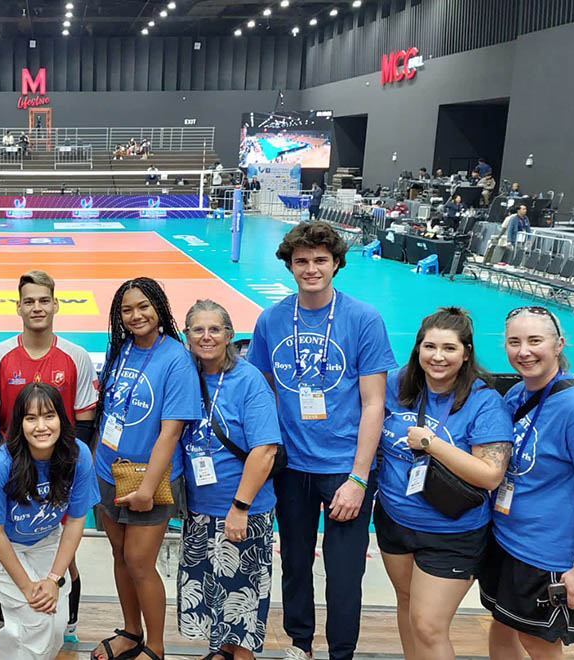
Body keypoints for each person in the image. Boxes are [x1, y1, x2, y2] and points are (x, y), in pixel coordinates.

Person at [246, 221, 396, 660]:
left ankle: (341, 653)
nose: (311, 269)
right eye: (302, 261)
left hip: (343, 470)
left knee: (344, 574)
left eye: (320, 260)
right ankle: (299, 645)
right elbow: (262, 392)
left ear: (336, 264)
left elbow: (373, 404)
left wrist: (358, 478)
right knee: (294, 565)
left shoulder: (363, 319)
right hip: (292, 469)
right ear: (290, 266)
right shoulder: (271, 320)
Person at [375, 307, 513, 659]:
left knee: (429, 626)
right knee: (406, 607)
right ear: (417, 348)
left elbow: (490, 475)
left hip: (452, 533)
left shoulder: (484, 402)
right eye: (429, 347)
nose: (437, 357)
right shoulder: (397, 384)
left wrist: (431, 444)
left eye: (449, 348)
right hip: (395, 521)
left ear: (466, 352)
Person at [482, 306, 574, 659]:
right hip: (507, 542)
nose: (524, 351)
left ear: (558, 345)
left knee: (539, 644)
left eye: (535, 341)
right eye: (514, 341)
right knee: (502, 626)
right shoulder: (516, 396)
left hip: (548, 556)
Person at [0, 270, 99, 642]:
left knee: (65, 555)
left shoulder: (75, 357)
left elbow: (84, 424)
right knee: (10, 555)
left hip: (59, 475)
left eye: (43, 300)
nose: (37, 307)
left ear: (56, 304)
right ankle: (13, 625)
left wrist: (67, 477)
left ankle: (68, 624)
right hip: (14, 475)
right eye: (29, 301)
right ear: (18, 307)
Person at [91, 277, 200, 660]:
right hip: (108, 471)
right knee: (120, 554)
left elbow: (170, 433)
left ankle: (155, 645)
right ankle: (131, 631)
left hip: (148, 478)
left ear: (159, 307)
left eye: (143, 307)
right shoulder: (121, 351)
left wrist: (148, 489)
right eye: (126, 309)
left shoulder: (176, 358)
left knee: (140, 561)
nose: (135, 315)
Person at [177, 300, 281, 660]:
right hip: (199, 510)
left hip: (241, 512)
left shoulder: (248, 380)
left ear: (229, 335)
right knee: (211, 599)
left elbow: (265, 450)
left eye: (215, 329)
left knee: (241, 608)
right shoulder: (185, 374)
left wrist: (239, 507)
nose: (206, 337)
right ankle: (221, 652)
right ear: (186, 335)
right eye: (198, 330)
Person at [0, 382, 95, 660]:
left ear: (62, 418)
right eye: (31, 418)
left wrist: (53, 579)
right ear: (19, 424)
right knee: (35, 616)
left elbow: (75, 521)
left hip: (43, 538)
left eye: (49, 416)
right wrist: (27, 587)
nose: (41, 426)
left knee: (57, 622)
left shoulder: (78, 456)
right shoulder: (1, 464)